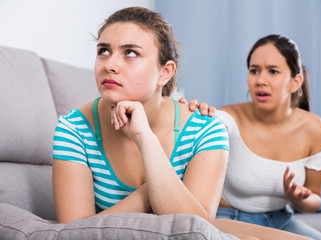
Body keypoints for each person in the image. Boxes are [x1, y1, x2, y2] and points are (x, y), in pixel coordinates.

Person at [52, 7, 308, 240]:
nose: (110, 64)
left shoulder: (205, 129)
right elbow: (73, 233)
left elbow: (195, 227)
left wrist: (144, 137)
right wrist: (151, 191)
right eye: (103, 51)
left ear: (165, 72)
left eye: (130, 53)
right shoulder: (74, 130)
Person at [184, 34, 321, 239]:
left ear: (295, 82)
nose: (260, 81)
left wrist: (298, 198)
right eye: (254, 71)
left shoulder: (316, 129)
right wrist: (192, 115)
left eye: (273, 71)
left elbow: (315, 201)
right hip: (228, 219)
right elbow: (203, 124)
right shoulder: (229, 118)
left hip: (282, 220)